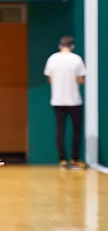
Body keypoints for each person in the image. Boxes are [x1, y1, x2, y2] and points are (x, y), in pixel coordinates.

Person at [44, 35, 87, 169]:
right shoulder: (77, 59)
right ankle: (75, 159)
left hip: (57, 101)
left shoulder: (52, 59)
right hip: (74, 100)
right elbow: (81, 79)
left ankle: (62, 160)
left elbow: (50, 78)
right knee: (77, 131)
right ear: (72, 46)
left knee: (60, 131)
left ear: (60, 45)